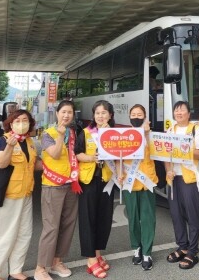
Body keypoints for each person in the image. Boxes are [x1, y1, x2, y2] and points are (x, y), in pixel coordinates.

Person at [0, 109, 42, 280]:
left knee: (24, 234)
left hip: (26, 193)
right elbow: (1, 163)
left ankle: (15, 271)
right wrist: (10, 146)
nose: (21, 123)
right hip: (7, 196)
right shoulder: (2, 141)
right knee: (3, 235)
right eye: (17, 121)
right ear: (10, 124)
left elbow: (34, 165)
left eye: (25, 120)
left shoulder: (30, 142)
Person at [34, 100, 81, 280]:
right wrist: (61, 136)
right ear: (57, 113)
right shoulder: (48, 133)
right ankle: (40, 267)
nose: (66, 115)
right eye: (63, 112)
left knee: (68, 225)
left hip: (71, 185)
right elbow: (54, 153)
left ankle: (56, 261)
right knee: (51, 227)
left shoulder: (74, 133)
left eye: (70, 112)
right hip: (52, 185)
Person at [74, 100, 116, 279]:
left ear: (110, 116)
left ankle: (97, 253)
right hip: (89, 181)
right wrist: (92, 158)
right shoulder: (85, 133)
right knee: (88, 219)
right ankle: (90, 260)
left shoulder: (115, 135)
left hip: (107, 180)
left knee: (103, 219)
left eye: (104, 113)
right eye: (97, 113)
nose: (100, 116)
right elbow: (77, 153)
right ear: (93, 116)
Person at [165, 101, 199, 270]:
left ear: (189, 114)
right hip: (173, 178)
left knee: (192, 215)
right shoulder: (170, 130)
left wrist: (182, 149)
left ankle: (193, 251)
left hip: (190, 178)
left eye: (182, 110)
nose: (179, 112)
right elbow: (164, 154)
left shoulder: (196, 129)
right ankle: (182, 246)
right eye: (176, 110)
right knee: (176, 214)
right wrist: (168, 171)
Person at [117, 104, 158, 271]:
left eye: (139, 114)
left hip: (147, 180)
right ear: (129, 116)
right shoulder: (123, 136)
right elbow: (116, 157)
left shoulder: (151, 134)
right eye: (133, 114)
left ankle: (147, 252)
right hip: (129, 181)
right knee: (133, 217)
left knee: (148, 218)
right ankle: (136, 248)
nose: (136, 116)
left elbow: (158, 153)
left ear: (145, 116)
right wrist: (119, 174)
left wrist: (147, 134)